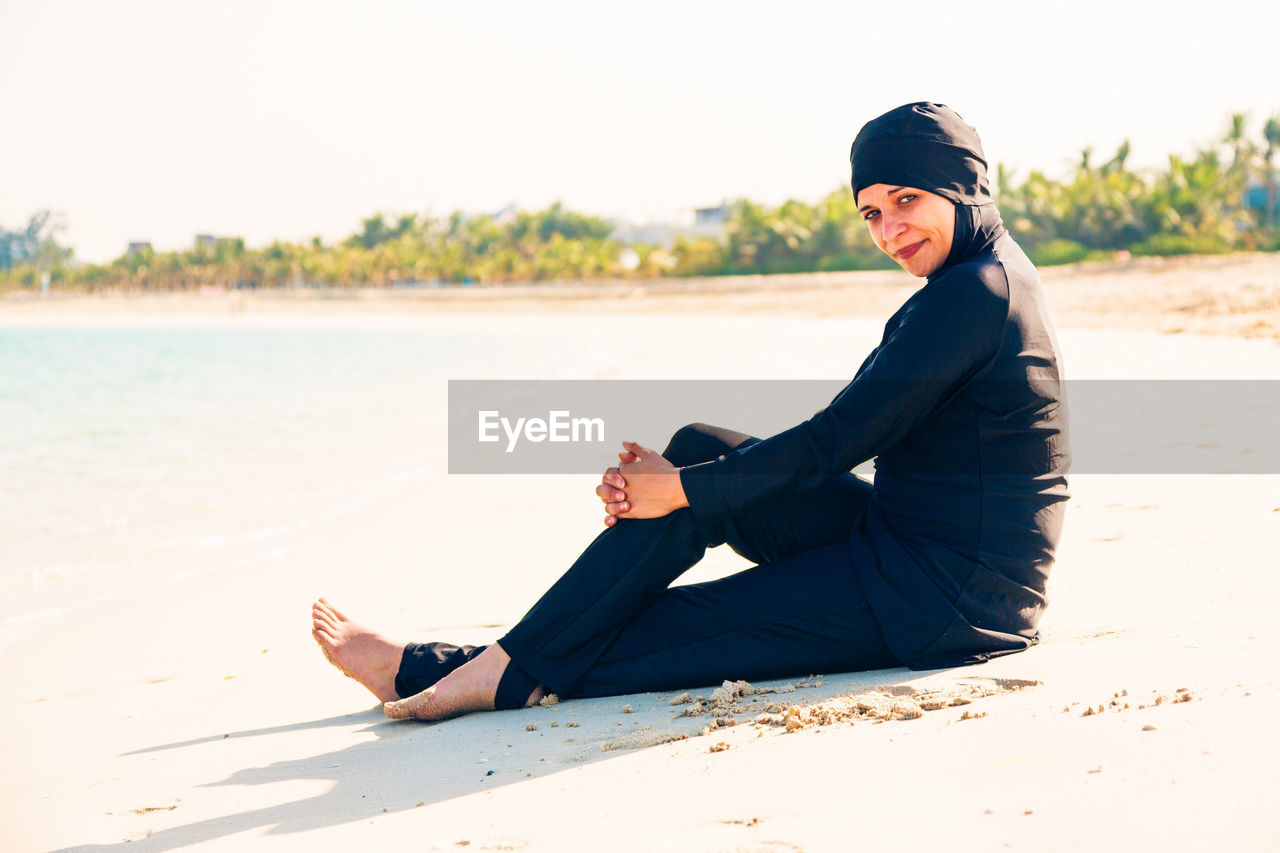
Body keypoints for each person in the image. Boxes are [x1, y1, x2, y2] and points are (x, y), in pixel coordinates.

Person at [310, 102, 1071, 721]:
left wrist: (680, 493)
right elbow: (841, 437)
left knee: (678, 623)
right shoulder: (979, 276)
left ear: (963, 186)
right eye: (871, 213)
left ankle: (455, 669)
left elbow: (837, 440)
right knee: (698, 446)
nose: (888, 230)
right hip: (908, 545)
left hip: (943, 599)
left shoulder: (974, 296)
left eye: (905, 200)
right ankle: (502, 660)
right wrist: (684, 482)